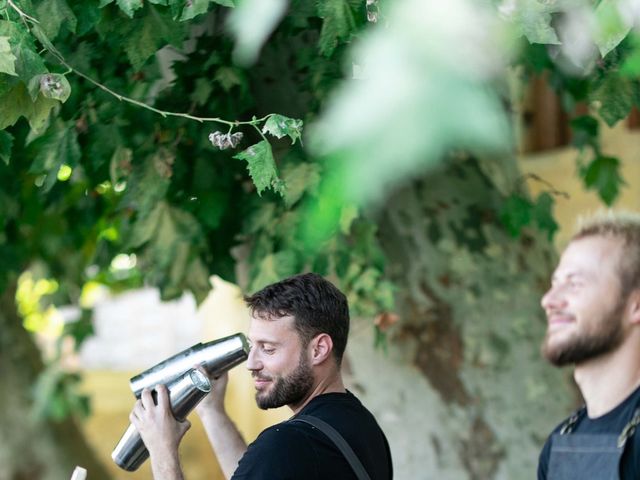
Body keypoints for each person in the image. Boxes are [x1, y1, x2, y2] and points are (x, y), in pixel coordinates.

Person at [130, 272, 393, 479]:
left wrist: (163, 452)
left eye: (267, 349)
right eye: (252, 346)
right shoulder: (364, 428)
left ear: (319, 349)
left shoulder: (287, 443)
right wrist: (212, 411)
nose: (251, 363)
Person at [537, 211, 640, 479]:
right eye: (555, 284)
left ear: (636, 305)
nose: (549, 300)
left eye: (575, 283)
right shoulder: (562, 442)